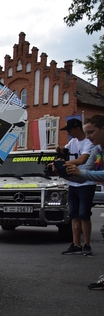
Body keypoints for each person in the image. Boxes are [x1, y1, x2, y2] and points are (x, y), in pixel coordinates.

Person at [65, 115, 104, 288]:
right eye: (86, 132)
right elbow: (85, 173)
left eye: (91, 132)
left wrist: (80, 173)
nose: (87, 136)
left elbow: (87, 174)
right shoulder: (97, 150)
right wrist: (64, 172)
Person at [58, 118, 95, 255]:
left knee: (84, 214)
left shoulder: (88, 143)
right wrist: (60, 153)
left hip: (86, 182)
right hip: (73, 182)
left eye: (70, 130)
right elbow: (64, 152)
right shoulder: (72, 142)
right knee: (74, 215)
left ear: (77, 129)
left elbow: (82, 160)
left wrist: (64, 165)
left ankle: (86, 244)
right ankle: (76, 244)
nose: (69, 133)